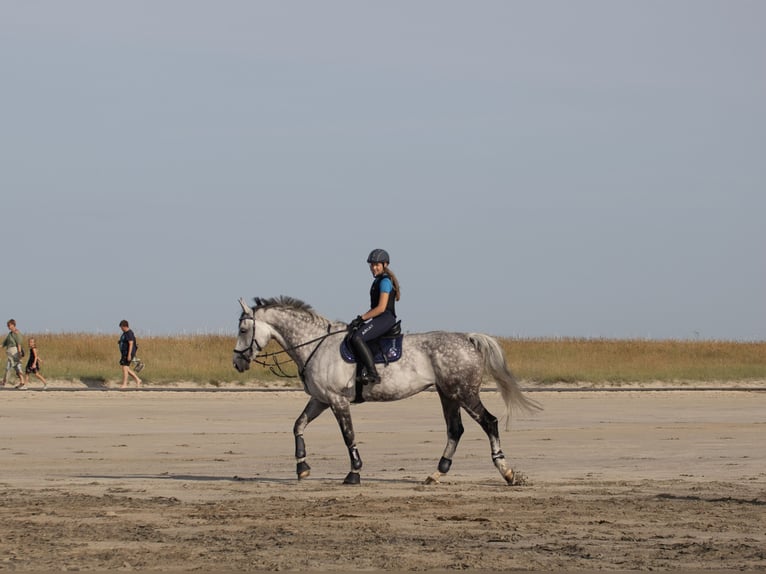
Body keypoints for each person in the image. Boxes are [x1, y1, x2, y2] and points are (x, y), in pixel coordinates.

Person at [347, 248, 401, 385]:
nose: (373, 268)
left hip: (385, 318)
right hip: (379, 318)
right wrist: (361, 321)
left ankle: (373, 374)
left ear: (385, 265)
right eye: (372, 265)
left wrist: (362, 318)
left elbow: (381, 308)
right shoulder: (377, 281)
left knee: (357, 337)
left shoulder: (385, 281)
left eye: (377, 265)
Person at [2, 319, 28, 389]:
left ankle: (4, 382)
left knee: (14, 367)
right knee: (15, 368)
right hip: (10, 353)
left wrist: (19, 354)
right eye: (8, 325)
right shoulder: (10, 334)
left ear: (13, 325)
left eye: (9, 325)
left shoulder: (17, 333)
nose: (8, 327)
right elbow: (4, 343)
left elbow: (19, 344)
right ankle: (22, 382)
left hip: (15, 352)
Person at [118, 319, 142, 388]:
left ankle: (125, 384)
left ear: (124, 326)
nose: (121, 329)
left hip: (127, 353)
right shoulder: (125, 333)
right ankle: (137, 379)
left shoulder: (129, 333)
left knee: (125, 368)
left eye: (121, 327)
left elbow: (131, 343)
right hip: (124, 353)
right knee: (125, 368)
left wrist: (129, 355)